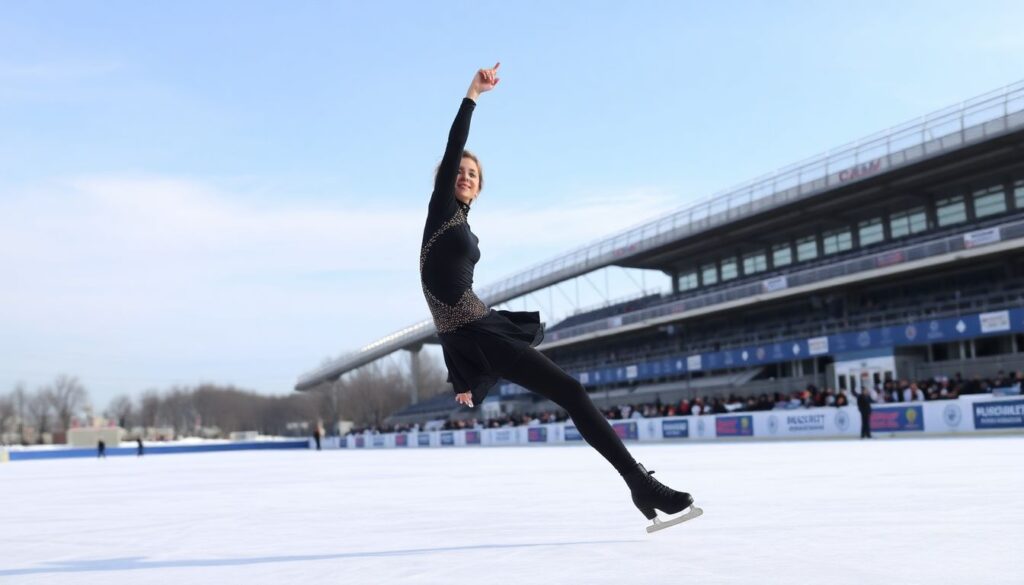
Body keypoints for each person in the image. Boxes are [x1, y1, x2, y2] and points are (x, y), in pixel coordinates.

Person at [418, 63, 697, 529]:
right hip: (472, 329)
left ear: (480, 187)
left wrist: (464, 369)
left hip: (477, 329)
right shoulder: (441, 211)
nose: (465, 175)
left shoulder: (463, 224)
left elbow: (440, 291)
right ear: (447, 179)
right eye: (460, 171)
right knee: (571, 390)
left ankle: (638, 483)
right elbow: (453, 148)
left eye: (472, 173)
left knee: (567, 388)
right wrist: (473, 94)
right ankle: (639, 483)